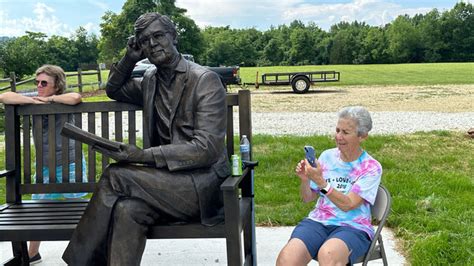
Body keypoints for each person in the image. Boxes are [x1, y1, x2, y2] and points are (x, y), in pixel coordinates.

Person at [62, 12, 229, 265]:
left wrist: (143, 156)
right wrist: (129, 58)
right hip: (163, 184)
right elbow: (114, 89)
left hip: (201, 187)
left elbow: (207, 149)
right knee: (125, 210)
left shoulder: (204, 80)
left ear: (173, 36)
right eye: (145, 41)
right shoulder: (150, 80)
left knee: (115, 175)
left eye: (159, 36)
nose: (152, 45)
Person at [276, 106, 382, 266]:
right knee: (287, 259)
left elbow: (349, 205)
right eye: (337, 130)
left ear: (362, 136)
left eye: (345, 132)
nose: (338, 137)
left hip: (352, 227)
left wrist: (321, 182)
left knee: (328, 256)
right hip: (318, 221)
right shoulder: (327, 156)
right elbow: (307, 198)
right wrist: (305, 180)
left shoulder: (371, 167)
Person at [0, 64, 85, 264]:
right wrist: (33, 101)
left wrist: (49, 100)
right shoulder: (34, 98)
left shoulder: (63, 100)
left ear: (57, 86)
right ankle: (32, 254)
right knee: (40, 207)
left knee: (74, 208)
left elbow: (76, 98)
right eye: (37, 82)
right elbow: (4, 97)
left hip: (69, 164)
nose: (39, 86)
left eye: (44, 83)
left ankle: (82, 251)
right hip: (45, 166)